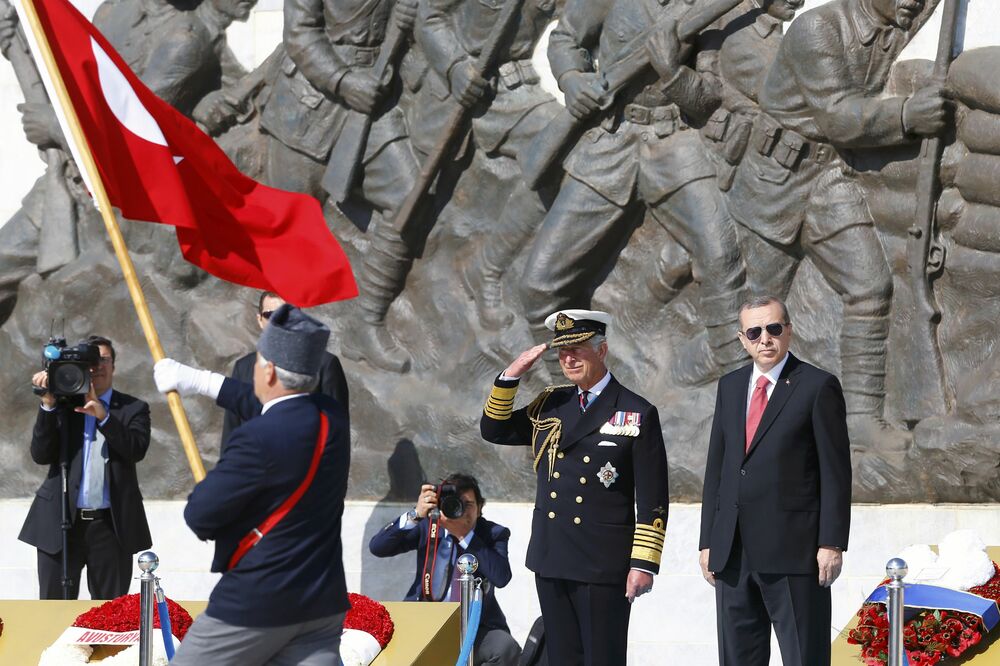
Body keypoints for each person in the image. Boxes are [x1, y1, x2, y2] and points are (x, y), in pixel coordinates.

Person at [726, 0, 941, 449]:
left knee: (870, 287)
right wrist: (906, 115)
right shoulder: (817, 29)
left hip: (827, 178)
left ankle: (861, 420)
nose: (914, 4)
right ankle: (742, 420)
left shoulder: (896, 14)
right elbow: (839, 117)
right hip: (774, 182)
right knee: (758, 313)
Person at [519, 0, 749, 383]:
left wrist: (671, 71)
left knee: (723, 257)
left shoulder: (711, 7)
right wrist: (574, 81)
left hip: (674, 143)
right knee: (538, 286)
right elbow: (565, 39)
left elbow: (708, 99)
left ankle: (747, 397)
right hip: (609, 141)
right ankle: (568, 399)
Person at [154, 304, 351, 666]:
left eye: (259, 363)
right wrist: (199, 380)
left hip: (260, 602)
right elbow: (271, 404)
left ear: (271, 371)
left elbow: (201, 516)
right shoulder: (330, 417)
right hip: (321, 602)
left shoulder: (257, 438)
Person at [480, 310, 669, 666]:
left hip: (602, 562)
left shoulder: (635, 411)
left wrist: (643, 564)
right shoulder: (551, 403)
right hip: (553, 556)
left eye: (578, 349)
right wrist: (510, 377)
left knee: (602, 657)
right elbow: (495, 430)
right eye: (562, 351)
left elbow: (653, 498)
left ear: (602, 350)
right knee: (562, 658)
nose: (568, 358)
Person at [699, 295, 852, 666]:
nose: (764, 339)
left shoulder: (817, 386)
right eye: (754, 332)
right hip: (733, 554)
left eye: (773, 328)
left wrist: (831, 542)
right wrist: (708, 541)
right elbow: (717, 468)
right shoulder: (731, 386)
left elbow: (836, 471)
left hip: (794, 553)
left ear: (788, 331)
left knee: (804, 657)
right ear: (742, 339)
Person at [19, 335, 152, 600]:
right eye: (90, 361)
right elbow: (40, 454)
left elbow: (135, 449)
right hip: (59, 523)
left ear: (113, 365)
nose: (97, 366)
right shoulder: (64, 406)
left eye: (103, 359)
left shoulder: (133, 408)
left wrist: (104, 416)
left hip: (110, 527)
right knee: (53, 610)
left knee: (109, 616)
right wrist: (48, 404)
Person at [369, 473, 521, 665]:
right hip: (425, 619)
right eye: (454, 504)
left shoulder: (493, 533)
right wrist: (416, 514)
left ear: (480, 508)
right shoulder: (428, 526)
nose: (461, 511)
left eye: (469, 505)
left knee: (505, 648)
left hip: (475, 626)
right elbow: (378, 548)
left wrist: (465, 537)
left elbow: (501, 577)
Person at [221, 291, 349, 448]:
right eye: (270, 315)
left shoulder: (326, 364)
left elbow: (337, 436)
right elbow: (231, 432)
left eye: (287, 314)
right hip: (253, 468)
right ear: (260, 320)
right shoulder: (243, 367)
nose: (279, 322)